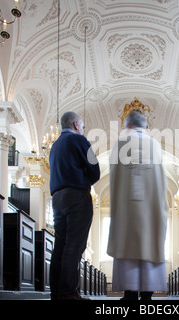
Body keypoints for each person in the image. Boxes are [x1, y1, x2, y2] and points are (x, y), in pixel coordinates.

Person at [107, 111, 169, 301]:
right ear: (144, 126)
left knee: (127, 244)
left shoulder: (121, 143)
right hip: (151, 207)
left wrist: (117, 205)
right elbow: (162, 181)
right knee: (150, 243)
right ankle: (148, 293)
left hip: (127, 208)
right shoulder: (155, 145)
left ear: (127, 125)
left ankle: (130, 293)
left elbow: (114, 176)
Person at [49, 111, 100, 300]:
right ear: (77, 125)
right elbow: (95, 171)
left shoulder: (54, 146)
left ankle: (57, 292)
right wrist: (84, 176)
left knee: (60, 245)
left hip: (57, 198)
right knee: (74, 246)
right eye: (83, 126)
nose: (83, 129)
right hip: (77, 196)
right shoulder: (80, 140)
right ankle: (69, 293)